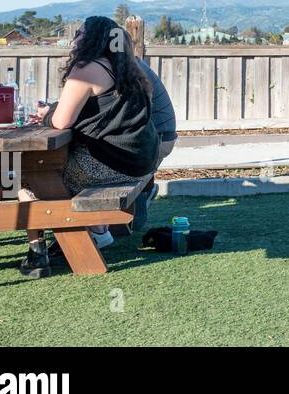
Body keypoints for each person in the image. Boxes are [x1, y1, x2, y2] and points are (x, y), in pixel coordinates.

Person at [19, 16, 158, 279]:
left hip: (111, 167)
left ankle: (37, 255)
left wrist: (47, 113)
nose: (75, 39)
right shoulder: (131, 70)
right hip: (140, 164)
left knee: (31, 180)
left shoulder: (87, 68)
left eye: (81, 34)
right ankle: (97, 230)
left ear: (94, 39)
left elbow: (62, 121)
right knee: (54, 171)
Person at [129, 58, 176, 232]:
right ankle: (145, 187)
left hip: (157, 139)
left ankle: (142, 192)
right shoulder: (127, 63)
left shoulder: (123, 68)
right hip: (158, 136)